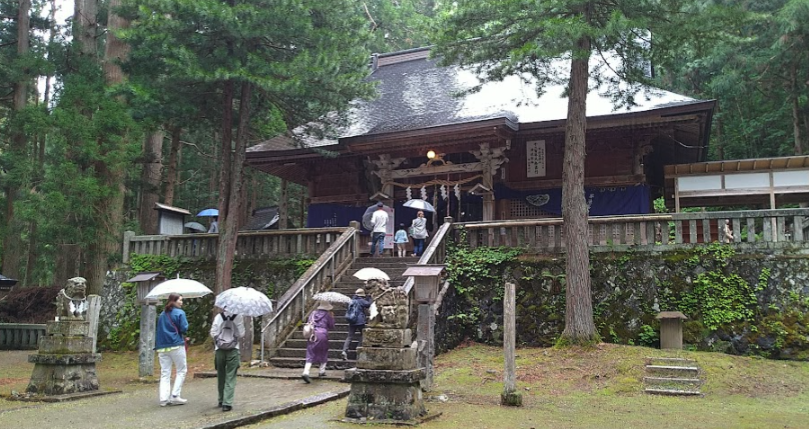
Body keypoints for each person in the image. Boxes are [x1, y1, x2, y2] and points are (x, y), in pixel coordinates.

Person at [154, 293, 188, 406]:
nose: (181, 302)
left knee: (165, 373)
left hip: (162, 347)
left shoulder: (162, 314)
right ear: (174, 301)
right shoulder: (180, 313)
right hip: (176, 345)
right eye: (180, 300)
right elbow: (184, 328)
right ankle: (175, 395)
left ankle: (163, 398)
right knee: (181, 370)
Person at [210, 308, 245, 412]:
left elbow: (213, 332)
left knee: (221, 375)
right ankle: (227, 403)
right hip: (233, 349)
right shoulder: (238, 317)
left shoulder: (218, 317)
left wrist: (220, 340)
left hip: (219, 350)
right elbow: (241, 333)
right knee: (231, 376)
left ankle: (221, 399)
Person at [302, 300, 335, 383]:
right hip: (323, 335)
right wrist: (332, 317)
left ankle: (306, 372)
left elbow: (309, 322)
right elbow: (331, 326)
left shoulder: (313, 313)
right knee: (323, 352)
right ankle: (321, 371)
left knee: (310, 353)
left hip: (312, 335)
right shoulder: (328, 315)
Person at [341, 288, 372, 361]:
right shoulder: (361, 301)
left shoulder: (351, 301)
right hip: (360, 321)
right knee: (363, 334)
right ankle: (358, 348)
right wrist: (369, 298)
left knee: (349, 336)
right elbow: (368, 304)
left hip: (352, 320)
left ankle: (344, 351)